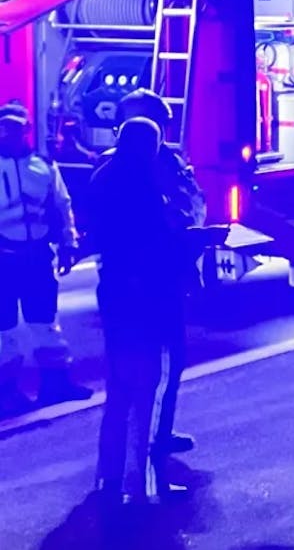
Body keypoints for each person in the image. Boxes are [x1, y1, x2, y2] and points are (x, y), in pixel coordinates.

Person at [88, 117, 192, 505]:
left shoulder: (104, 178)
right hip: (145, 295)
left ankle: (108, 478)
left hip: (115, 291)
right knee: (144, 386)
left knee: (119, 388)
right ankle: (140, 482)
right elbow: (158, 240)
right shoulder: (144, 184)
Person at [99, 90, 206, 458]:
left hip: (151, 279)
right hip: (146, 283)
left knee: (163, 364)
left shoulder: (162, 164)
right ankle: (141, 451)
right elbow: (163, 222)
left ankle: (149, 438)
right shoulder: (127, 173)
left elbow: (193, 204)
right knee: (145, 369)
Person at [0, 101, 91, 415]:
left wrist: (69, 243)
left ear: (25, 130)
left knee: (45, 324)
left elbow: (61, 207)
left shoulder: (44, 167)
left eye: (15, 127)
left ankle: (56, 385)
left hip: (37, 258)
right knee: (3, 330)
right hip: (3, 259)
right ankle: (6, 394)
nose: (9, 132)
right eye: (4, 126)